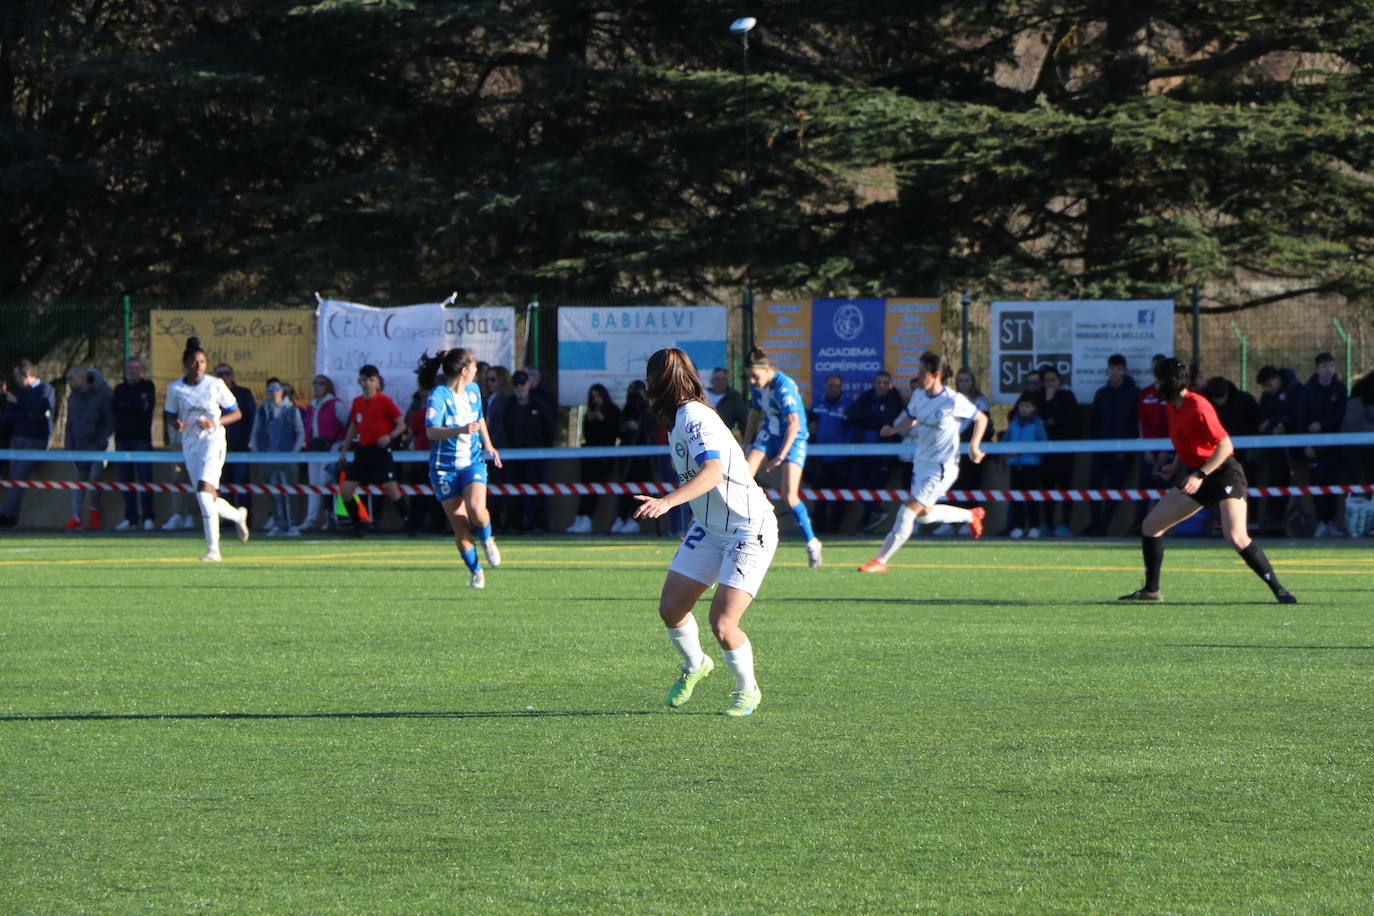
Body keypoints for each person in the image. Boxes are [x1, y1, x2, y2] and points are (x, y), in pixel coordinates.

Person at [632, 348, 777, 717]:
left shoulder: (694, 416)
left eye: (651, 379)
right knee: (671, 608)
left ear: (661, 382)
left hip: (747, 529)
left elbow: (712, 472)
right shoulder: (680, 417)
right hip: (711, 528)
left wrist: (666, 503)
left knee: (723, 623)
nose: (647, 386)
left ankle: (747, 690)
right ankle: (695, 664)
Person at [1119, 357, 1296, 604]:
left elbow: (1225, 445)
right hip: (1197, 475)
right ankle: (1151, 591)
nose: (1155, 384)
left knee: (1236, 537)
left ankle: (1280, 590)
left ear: (1169, 381)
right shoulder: (1172, 406)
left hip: (1223, 472)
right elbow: (1186, 442)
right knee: (1150, 527)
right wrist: (1175, 465)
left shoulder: (1198, 405)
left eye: (1158, 379)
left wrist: (1200, 474)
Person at [859, 351, 988, 573]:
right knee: (924, 516)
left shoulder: (952, 400)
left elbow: (981, 418)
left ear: (935, 374)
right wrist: (894, 429)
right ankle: (970, 515)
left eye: (921, 372)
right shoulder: (919, 395)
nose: (918, 376)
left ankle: (880, 560)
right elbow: (911, 417)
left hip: (942, 467)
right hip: (921, 464)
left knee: (907, 511)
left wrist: (975, 446)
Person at [420, 349, 505, 588]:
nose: (478, 373)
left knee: (477, 508)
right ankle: (476, 571)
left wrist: (489, 446)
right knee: (460, 523)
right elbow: (431, 431)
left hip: (472, 461)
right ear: (464, 370)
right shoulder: (439, 395)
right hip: (444, 469)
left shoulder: (474, 391)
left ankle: (488, 540)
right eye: (475, 368)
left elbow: (479, 420)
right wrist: (460, 430)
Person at [163, 338, 250, 561]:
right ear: (185, 364)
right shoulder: (175, 388)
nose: (198, 365)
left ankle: (214, 550)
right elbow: (170, 415)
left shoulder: (215, 385)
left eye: (202, 361)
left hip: (213, 442)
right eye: (194, 361)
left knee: (203, 491)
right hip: (190, 444)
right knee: (207, 498)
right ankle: (237, 515)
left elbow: (236, 412)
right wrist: (176, 424)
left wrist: (216, 422)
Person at [742, 347, 822, 568]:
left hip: (793, 439)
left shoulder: (783, 387)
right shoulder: (757, 385)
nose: (753, 381)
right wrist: (745, 444)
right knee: (741, 479)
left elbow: (794, 424)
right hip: (770, 433)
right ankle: (742, 532)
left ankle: (811, 542)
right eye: (750, 376)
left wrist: (781, 456)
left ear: (768, 369)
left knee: (789, 494)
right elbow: (755, 413)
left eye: (755, 376)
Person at [337, 364, 411, 536]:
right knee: (346, 490)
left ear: (377, 382)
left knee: (392, 488)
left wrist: (389, 436)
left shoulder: (385, 401)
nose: (367, 384)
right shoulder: (357, 402)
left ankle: (409, 524)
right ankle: (356, 526)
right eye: (363, 380)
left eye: (370, 380)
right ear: (359, 382)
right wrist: (344, 449)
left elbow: (401, 425)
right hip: (363, 450)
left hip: (381, 450)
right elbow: (354, 426)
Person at [1084, 354, 1139, 536]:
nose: (1114, 373)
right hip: (1101, 447)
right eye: (1112, 369)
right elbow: (1095, 420)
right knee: (1094, 485)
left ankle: (1104, 526)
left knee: (1115, 488)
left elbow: (1136, 421)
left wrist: (1130, 441)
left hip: (1124, 449)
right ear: (1107, 371)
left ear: (1124, 371)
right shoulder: (1101, 393)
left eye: (1118, 369)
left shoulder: (1133, 393)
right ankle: (1095, 523)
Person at [845, 370, 906, 532]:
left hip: (883, 454)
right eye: (878, 382)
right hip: (862, 451)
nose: (881, 386)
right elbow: (851, 413)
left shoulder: (894, 398)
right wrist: (873, 416)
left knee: (874, 487)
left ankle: (863, 526)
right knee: (854, 483)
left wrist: (867, 418)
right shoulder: (867, 396)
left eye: (885, 383)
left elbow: (887, 420)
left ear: (890, 385)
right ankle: (877, 512)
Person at [0, 360, 55, 528]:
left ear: (27, 375)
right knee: (14, 477)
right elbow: (8, 415)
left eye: (17, 376)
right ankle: (11, 518)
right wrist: (28, 413)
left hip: (35, 440)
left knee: (19, 477)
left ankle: (6, 515)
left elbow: (42, 409)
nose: (15, 380)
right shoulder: (18, 392)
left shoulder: (45, 389)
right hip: (16, 439)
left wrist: (21, 407)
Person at [1297, 352, 1347, 536]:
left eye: (1331, 366)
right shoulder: (1307, 390)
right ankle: (1320, 522)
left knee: (1333, 484)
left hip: (1334, 447)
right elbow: (1301, 419)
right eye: (1325, 366)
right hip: (1314, 447)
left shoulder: (1340, 388)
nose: (1329, 370)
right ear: (1317, 369)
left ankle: (1332, 523)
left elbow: (1340, 415)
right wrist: (1306, 445)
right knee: (1318, 484)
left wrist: (1323, 425)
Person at [60, 366, 114, 531]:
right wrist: (68, 446)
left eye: (71, 378)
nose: (68, 382)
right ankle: (76, 517)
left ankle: (94, 515)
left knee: (96, 478)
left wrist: (99, 443)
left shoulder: (104, 393)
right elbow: (69, 424)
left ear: (82, 377)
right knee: (79, 481)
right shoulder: (73, 397)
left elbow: (109, 422)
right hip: (79, 448)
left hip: (99, 448)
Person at [502, 369, 555, 533]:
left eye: (522, 383)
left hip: (536, 458)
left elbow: (549, 430)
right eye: (516, 384)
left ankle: (538, 524)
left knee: (537, 491)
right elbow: (505, 429)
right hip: (514, 457)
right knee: (514, 492)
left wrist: (545, 452)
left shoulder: (539, 406)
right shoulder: (509, 406)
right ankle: (514, 524)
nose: (519, 387)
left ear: (529, 385)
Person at [250, 377, 306, 535]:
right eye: (270, 389)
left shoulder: (292, 409)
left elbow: (300, 432)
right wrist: (257, 454)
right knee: (272, 492)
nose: (274, 393)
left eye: (276, 389)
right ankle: (277, 523)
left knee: (290, 492)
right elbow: (255, 433)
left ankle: (292, 524)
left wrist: (294, 453)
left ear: (282, 390)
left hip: (287, 456)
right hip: (268, 455)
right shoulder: (262, 410)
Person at [942, 367, 992, 536]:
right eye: (960, 381)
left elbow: (983, 424)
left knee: (971, 484)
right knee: (953, 484)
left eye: (966, 380)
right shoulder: (952, 399)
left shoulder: (980, 401)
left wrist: (972, 442)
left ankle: (970, 520)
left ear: (973, 382)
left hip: (971, 449)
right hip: (953, 450)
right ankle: (951, 522)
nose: (963, 384)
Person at [296, 374, 349, 532]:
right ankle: (311, 519)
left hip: (331, 448)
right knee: (314, 484)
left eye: (321, 384)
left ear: (328, 387)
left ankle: (332, 517)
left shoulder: (335, 404)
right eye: (315, 383)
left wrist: (339, 445)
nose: (317, 386)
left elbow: (347, 425)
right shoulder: (311, 406)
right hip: (315, 449)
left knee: (328, 481)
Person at [110, 357, 157, 531]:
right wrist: (133, 405)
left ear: (141, 369)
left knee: (145, 479)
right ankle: (131, 519)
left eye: (136, 367)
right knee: (125, 480)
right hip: (122, 440)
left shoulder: (147, 387)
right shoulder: (119, 389)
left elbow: (145, 408)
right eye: (130, 367)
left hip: (141, 439)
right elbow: (116, 409)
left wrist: (129, 406)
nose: (133, 370)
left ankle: (148, 518)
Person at [567, 383, 621, 534]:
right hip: (588, 456)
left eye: (598, 396)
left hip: (603, 457)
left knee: (594, 487)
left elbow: (614, 433)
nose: (595, 400)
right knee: (584, 487)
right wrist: (591, 419)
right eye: (592, 397)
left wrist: (602, 419)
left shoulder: (612, 411)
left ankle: (587, 519)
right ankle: (580, 517)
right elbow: (587, 435)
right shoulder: (588, 413)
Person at [1036, 365, 1081, 537]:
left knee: (1065, 488)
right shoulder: (1039, 398)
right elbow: (1040, 419)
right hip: (1046, 453)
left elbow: (1067, 418)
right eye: (1046, 381)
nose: (1050, 384)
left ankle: (1065, 523)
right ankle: (1047, 523)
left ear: (1059, 381)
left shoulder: (1067, 397)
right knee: (1047, 489)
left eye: (1053, 380)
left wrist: (1053, 409)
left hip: (1064, 452)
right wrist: (1047, 401)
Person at [806, 374, 852, 534]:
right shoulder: (817, 404)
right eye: (830, 385)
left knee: (838, 496)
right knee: (819, 495)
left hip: (840, 459)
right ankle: (819, 528)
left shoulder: (848, 405)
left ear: (841, 388)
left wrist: (846, 452)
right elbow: (809, 425)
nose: (833, 389)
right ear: (825, 386)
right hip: (819, 458)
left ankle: (834, 528)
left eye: (836, 386)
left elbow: (852, 431)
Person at [1000, 393, 1048, 538]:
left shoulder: (1038, 424)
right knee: (1016, 497)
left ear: (1033, 408)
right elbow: (1006, 440)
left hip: (1031, 465)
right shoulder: (1014, 422)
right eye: (1021, 405)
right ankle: (1018, 526)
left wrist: (1031, 454)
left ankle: (1034, 526)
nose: (1024, 409)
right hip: (1015, 465)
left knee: (1032, 497)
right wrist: (1008, 452)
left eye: (1027, 406)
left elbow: (1044, 443)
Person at [212, 364, 256, 521]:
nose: (223, 377)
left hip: (239, 446)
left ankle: (245, 518)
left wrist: (250, 441)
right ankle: (228, 519)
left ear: (233, 375)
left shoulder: (244, 394)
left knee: (241, 482)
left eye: (226, 373)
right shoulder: (211, 395)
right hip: (217, 447)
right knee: (223, 484)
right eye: (219, 374)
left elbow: (252, 419)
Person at [612, 380, 656, 534]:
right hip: (626, 453)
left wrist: (638, 426)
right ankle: (620, 516)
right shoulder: (627, 408)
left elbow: (650, 428)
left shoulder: (648, 410)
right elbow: (618, 428)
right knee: (624, 485)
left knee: (639, 487)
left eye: (634, 389)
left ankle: (634, 519)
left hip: (643, 456)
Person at [1134, 354, 1170, 533]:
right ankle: (1138, 526)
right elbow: (1141, 422)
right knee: (1143, 487)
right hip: (1147, 450)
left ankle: (1159, 526)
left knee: (1162, 488)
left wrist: (1165, 449)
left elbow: (1174, 423)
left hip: (1167, 450)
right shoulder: (1145, 394)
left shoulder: (1172, 395)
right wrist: (1146, 449)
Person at [705, 367, 749, 438]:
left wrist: (747, 440)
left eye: (723, 379)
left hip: (722, 436)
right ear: (712, 381)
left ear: (728, 382)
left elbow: (743, 420)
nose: (720, 382)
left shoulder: (734, 398)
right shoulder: (703, 395)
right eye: (717, 379)